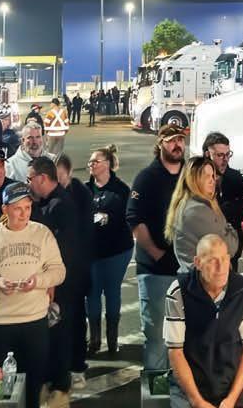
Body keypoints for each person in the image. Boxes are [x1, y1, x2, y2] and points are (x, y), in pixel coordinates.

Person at [0, 181, 66, 408]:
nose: (24, 214)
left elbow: (59, 271)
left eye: (27, 208)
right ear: (4, 209)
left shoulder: (42, 233)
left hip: (33, 319)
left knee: (33, 383)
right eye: (17, 208)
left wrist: (38, 281)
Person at [165, 234, 243, 408]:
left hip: (232, 380)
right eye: (212, 260)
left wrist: (231, 399)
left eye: (224, 259)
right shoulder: (178, 291)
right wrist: (197, 401)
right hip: (192, 382)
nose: (221, 267)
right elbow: (175, 353)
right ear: (198, 263)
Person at [126, 124, 187, 372]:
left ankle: (182, 387)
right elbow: (134, 218)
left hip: (188, 270)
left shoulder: (190, 176)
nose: (177, 145)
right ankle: (156, 385)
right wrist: (157, 255)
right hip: (156, 272)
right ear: (160, 144)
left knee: (187, 337)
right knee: (158, 338)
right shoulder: (146, 178)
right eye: (171, 140)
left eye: (180, 139)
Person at [28, 156, 87, 402]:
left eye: (30, 178)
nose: (29, 183)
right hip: (58, 283)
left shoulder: (60, 205)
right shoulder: (50, 202)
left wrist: (51, 282)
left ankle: (60, 387)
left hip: (62, 285)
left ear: (42, 178)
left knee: (60, 334)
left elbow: (65, 250)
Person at [85, 144, 133, 355]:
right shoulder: (85, 189)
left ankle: (112, 340)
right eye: (90, 161)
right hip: (92, 252)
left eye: (95, 161)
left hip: (116, 251)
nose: (91, 165)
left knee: (112, 291)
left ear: (107, 165)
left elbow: (127, 217)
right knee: (92, 293)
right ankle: (94, 340)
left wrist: (108, 218)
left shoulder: (121, 190)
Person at [54, 153, 94, 378]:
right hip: (60, 268)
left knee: (77, 314)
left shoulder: (80, 193)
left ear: (68, 172)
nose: (57, 181)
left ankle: (78, 359)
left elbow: (85, 232)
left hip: (77, 268)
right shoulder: (54, 194)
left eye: (60, 176)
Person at [167, 156, 240, 273]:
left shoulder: (188, 203)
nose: (212, 181)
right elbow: (230, 248)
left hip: (200, 275)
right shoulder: (198, 210)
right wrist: (229, 229)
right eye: (206, 176)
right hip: (204, 278)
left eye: (212, 176)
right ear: (193, 180)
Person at [203, 132, 243, 270]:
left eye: (228, 154)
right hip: (205, 246)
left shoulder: (235, 177)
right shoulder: (196, 178)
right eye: (220, 155)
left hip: (231, 244)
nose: (225, 160)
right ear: (208, 154)